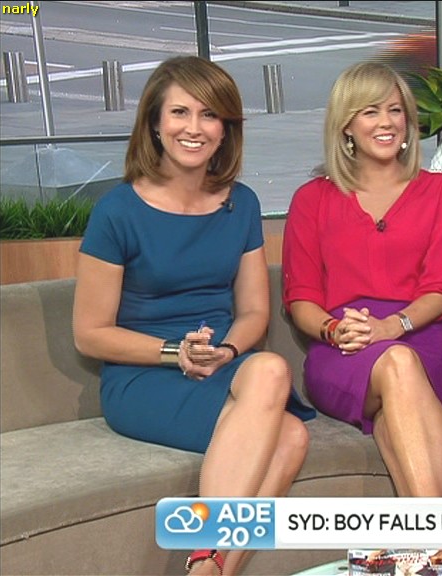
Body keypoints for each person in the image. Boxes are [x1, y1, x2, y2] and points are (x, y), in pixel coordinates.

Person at [72, 55, 316, 576]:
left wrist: (225, 350)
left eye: (210, 115)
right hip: (144, 375)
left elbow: (254, 311)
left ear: (225, 129)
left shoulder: (241, 204)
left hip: (222, 364)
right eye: (180, 112)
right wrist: (173, 352)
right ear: (155, 124)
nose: (195, 128)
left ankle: (208, 567)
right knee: (287, 428)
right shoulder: (117, 210)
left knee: (276, 391)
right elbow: (89, 334)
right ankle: (208, 559)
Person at [282, 61, 442, 497]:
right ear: (346, 125)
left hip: (426, 339)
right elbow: (301, 299)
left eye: (395, 110)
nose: (386, 122)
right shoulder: (312, 199)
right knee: (397, 366)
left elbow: (441, 289)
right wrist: (336, 329)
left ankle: (437, 532)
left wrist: (391, 327)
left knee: (398, 386)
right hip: (343, 348)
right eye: (370, 111)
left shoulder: (440, 191)